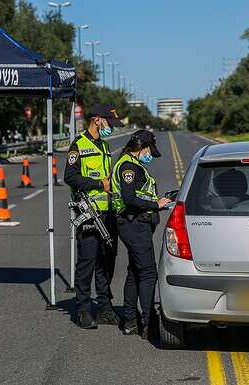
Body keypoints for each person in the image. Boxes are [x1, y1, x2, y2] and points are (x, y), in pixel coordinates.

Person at [65, 103, 123, 329]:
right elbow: (70, 177)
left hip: (108, 213)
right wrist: (99, 184)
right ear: (97, 120)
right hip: (88, 213)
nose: (112, 128)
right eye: (110, 123)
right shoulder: (79, 145)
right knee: (87, 263)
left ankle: (105, 309)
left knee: (106, 263)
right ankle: (82, 310)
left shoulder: (106, 146)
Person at [111, 130, 171, 339]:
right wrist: (156, 204)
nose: (150, 155)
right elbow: (129, 198)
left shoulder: (131, 164)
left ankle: (130, 321)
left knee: (135, 271)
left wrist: (157, 204)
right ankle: (148, 323)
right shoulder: (128, 167)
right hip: (133, 223)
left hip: (133, 223)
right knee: (148, 273)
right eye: (149, 150)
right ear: (141, 147)